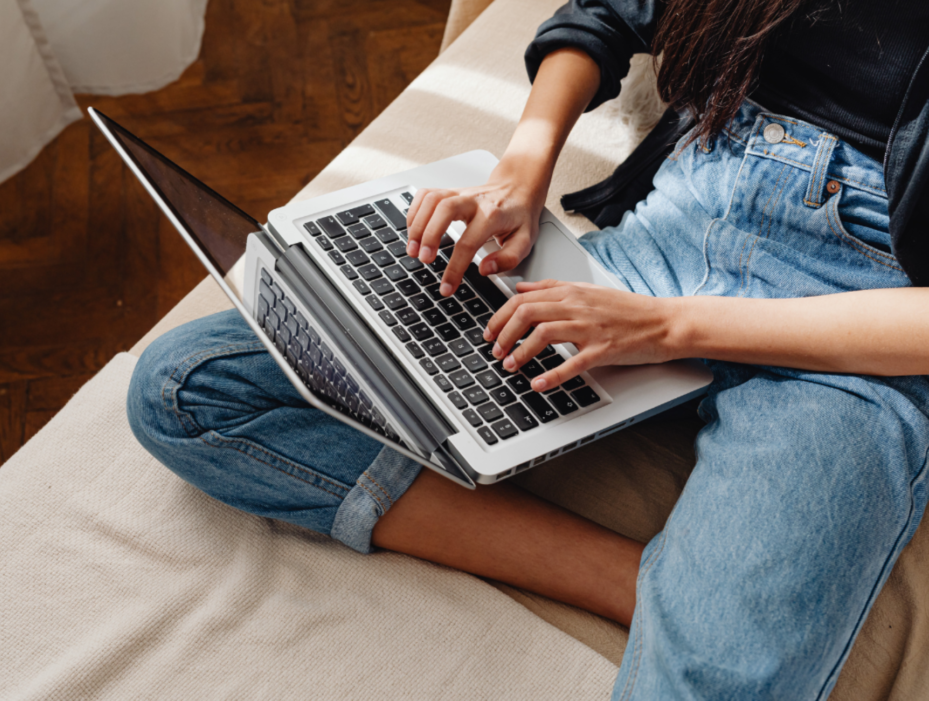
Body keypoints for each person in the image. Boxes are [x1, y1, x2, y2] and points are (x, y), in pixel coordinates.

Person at [127, 0, 929, 697]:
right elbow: (611, 11)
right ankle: (644, 588)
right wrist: (522, 168)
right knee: (188, 387)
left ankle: (698, 617)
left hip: (864, 316)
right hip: (684, 213)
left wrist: (665, 328)